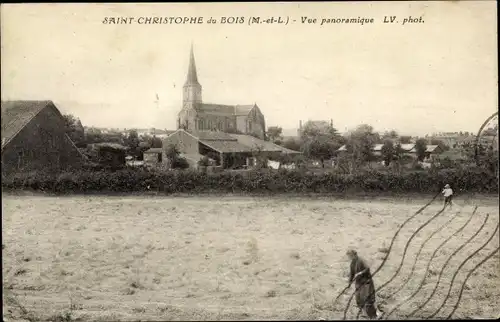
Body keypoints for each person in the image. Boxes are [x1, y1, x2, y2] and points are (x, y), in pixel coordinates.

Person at [346, 249, 379, 319]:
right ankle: (364, 313)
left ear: (355, 255)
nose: (350, 258)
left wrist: (360, 273)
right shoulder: (352, 263)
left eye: (351, 256)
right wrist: (349, 283)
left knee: (368, 299)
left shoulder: (361, 260)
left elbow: (367, 268)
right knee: (358, 299)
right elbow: (351, 274)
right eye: (349, 256)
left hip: (366, 282)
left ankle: (376, 313)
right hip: (359, 284)